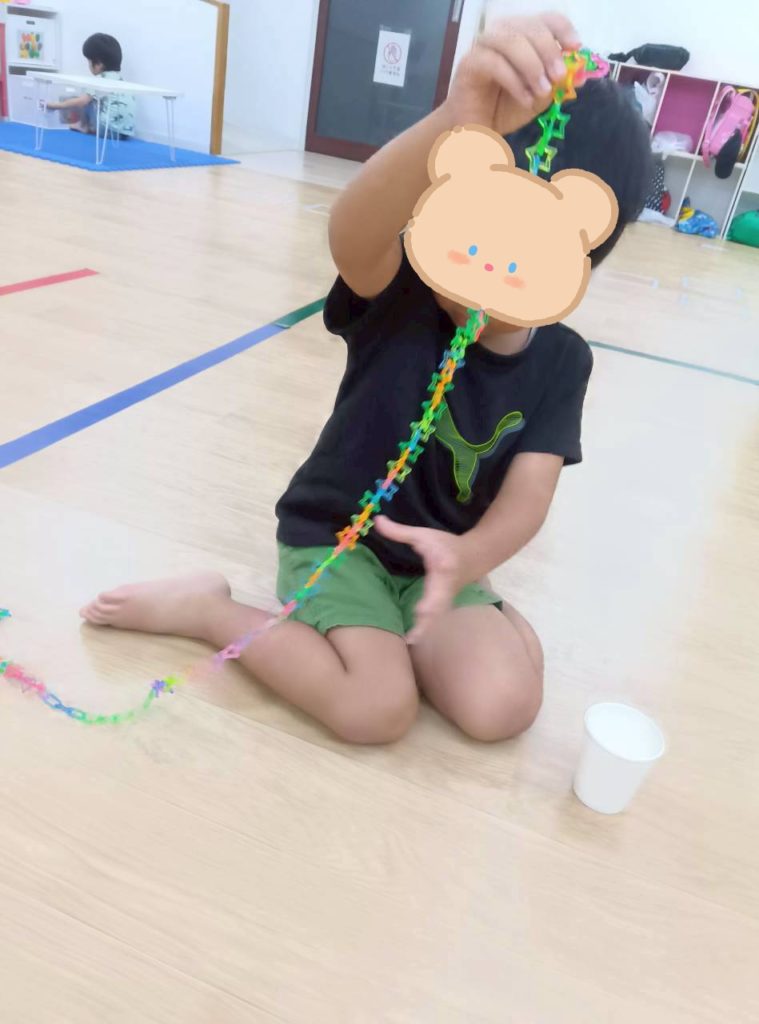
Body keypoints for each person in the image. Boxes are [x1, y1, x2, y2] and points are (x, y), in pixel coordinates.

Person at [81, 14, 653, 745]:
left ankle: (430, 628)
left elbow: (528, 497)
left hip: (438, 562)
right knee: (375, 709)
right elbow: (351, 228)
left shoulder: (563, 359)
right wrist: (454, 115)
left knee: (501, 708)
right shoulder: (403, 288)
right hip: (338, 537)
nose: (484, 272)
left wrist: (466, 559)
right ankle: (208, 610)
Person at [45, 33, 135, 140]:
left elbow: (81, 102)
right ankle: (86, 125)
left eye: (89, 61)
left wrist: (55, 106)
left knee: (87, 98)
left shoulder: (100, 79)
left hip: (106, 130)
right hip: (126, 132)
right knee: (97, 98)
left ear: (98, 64)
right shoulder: (121, 80)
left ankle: (82, 125)